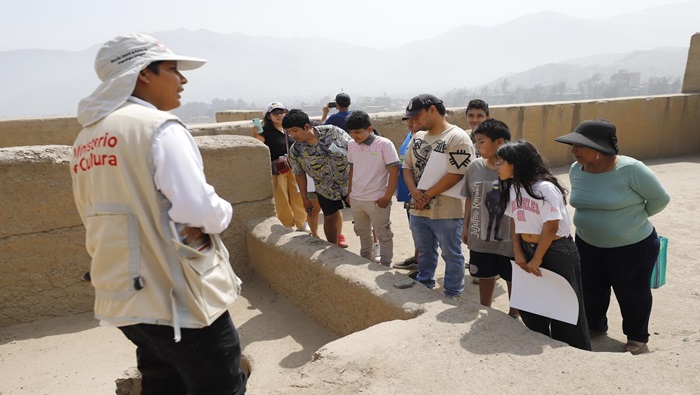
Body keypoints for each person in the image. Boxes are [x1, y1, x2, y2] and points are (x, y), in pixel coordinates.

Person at [71, 33, 247, 394]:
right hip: (175, 298)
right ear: (143, 74)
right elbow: (196, 210)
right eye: (172, 69)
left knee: (163, 381)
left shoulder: (87, 138)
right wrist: (223, 211)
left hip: (125, 295)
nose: (183, 79)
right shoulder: (156, 128)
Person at [555, 120, 670, 355]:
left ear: (598, 150)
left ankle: (637, 337)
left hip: (632, 246)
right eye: (573, 145)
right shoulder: (577, 169)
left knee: (632, 292)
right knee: (591, 288)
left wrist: (632, 220)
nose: (573, 150)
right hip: (587, 243)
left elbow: (660, 199)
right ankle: (596, 326)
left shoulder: (630, 169)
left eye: (579, 146)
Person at [496, 140, 591, 351]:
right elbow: (515, 220)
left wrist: (537, 258)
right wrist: (518, 251)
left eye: (501, 161)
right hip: (527, 250)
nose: (497, 166)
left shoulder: (545, 188)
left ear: (516, 163)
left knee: (565, 306)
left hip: (556, 251)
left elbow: (551, 225)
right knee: (532, 305)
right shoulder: (515, 188)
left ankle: (574, 353)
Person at [402, 94, 475, 298]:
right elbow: (406, 166)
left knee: (451, 254)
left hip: (447, 211)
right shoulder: (417, 137)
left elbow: (458, 173)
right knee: (424, 250)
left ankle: (452, 293)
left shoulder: (457, 137)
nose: (414, 121)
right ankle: (424, 284)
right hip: (419, 207)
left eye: (417, 115)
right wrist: (416, 193)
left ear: (432, 110)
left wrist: (425, 195)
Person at [460, 119, 518, 317]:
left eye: (481, 142)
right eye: (476, 142)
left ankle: (514, 313)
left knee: (513, 277)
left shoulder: (516, 170)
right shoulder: (475, 167)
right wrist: (465, 226)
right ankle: (486, 309)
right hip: (480, 235)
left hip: (510, 238)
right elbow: (470, 198)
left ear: (499, 142)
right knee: (485, 274)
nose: (477, 146)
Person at [285, 109, 351, 247]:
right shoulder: (296, 150)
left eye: (295, 130)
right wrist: (304, 197)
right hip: (324, 188)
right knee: (330, 217)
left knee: (364, 217)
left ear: (307, 126)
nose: (292, 135)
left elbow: (354, 151)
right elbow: (299, 173)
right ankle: (333, 248)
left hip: (350, 183)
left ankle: (370, 249)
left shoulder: (333, 132)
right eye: (289, 132)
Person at [346, 111, 400, 266]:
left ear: (369, 129)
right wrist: (350, 192)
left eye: (357, 132)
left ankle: (385, 265)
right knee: (362, 232)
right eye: (351, 133)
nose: (354, 136)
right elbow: (352, 169)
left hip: (377, 199)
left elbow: (394, 171)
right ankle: (365, 259)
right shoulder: (351, 145)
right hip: (357, 198)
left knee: (383, 234)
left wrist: (387, 196)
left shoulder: (384, 144)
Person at [251, 102, 309, 231]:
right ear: (269, 116)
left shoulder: (290, 129)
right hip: (278, 169)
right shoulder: (265, 131)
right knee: (281, 197)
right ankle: (286, 224)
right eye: (275, 113)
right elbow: (259, 147)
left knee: (298, 195)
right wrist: (255, 135)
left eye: (282, 112)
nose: (280, 115)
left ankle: (302, 222)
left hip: (295, 167)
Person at [464, 98, 492, 283]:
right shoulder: (464, 136)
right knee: (474, 226)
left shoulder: (495, 137)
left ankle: (491, 270)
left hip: (490, 193)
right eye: (471, 116)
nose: (475, 120)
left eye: (480, 116)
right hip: (471, 190)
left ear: (487, 117)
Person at [392, 116, 421, 271]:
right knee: (414, 228)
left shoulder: (425, 139)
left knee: (422, 232)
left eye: (415, 120)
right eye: (408, 120)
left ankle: (421, 265)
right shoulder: (409, 136)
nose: (410, 123)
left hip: (418, 194)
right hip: (407, 192)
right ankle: (417, 259)